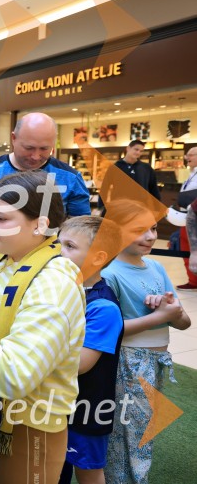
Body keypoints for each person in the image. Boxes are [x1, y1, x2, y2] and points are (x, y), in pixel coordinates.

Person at [0, 171, 86, 483]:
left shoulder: (53, 284)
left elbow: (13, 375)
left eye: (2, 219)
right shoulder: (5, 259)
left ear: (42, 224)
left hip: (28, 429)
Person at [99, 200, 191, 484]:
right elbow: (106, 332)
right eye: (139, 230)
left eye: (152, 229)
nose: (151, 236)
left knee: (142, 429)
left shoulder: (155, 266)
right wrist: (159, 316)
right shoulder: (108, 273)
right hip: (127, 362)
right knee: (129, 432)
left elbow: (183, 321)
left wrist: (168, 310)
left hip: (156, 361)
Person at [0, 112, 91, 273]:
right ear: (14, 138)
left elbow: (81, 230)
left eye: (45, 149)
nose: (36, 156)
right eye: (29, 148)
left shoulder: (71, 178)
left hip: (47, 268)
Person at [57, 216, 124, 484]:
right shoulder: (64, 290)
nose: (59, 251)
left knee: (87, 471)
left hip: (87, 409)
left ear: (98, 257)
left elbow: (81, 364)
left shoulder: (103, 308)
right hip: (58, 403)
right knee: (53, 466)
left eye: (70, 246)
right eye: (58, 243)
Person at [176, 146, 197, 289]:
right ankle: (193, 281)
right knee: (185, 247)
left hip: (194, 218)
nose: (187, 158)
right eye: (186, 155)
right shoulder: (191, 174)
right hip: (185, 217)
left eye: (191, 155)